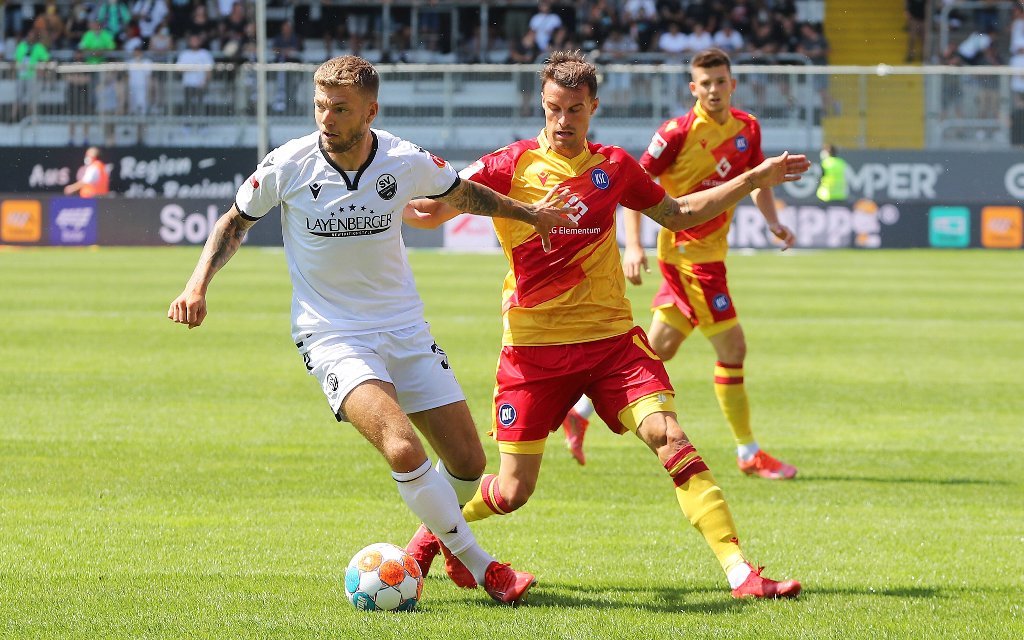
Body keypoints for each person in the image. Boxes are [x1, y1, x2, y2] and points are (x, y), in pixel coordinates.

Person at [166, 55, 576, 606]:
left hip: (404, 327)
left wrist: (533, 215)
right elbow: (234, 222)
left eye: (340, 108)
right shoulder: (288, 164)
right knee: (402, 447)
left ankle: (432, 546)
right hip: (332, 333)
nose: (326, 119)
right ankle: (484, 567)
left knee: (469, 463)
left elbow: (464, 195)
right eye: (319, 106)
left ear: (370, 111)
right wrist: (198, 284)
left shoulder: (403, 160)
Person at [403, 50, 808, 600]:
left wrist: (754, 178)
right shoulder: (508, 166)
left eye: (574, 109)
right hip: (533, 353)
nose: (562, 121)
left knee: (672, 437)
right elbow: (428, 211)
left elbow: (680, 214)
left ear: (593, 106)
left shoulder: (614, 167)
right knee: (514, 489)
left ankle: (741, 573)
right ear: (540, 106)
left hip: (612, 345)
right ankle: (431, 540)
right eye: (553, 109)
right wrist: (380, 186)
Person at [558, 49, 799, 480]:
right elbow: (634, 186)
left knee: (659, 348)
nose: (713, 90)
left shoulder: (748, 128)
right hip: (687, 257)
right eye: (704, 83)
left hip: (712, 254)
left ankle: (579, 410)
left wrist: (774, 222)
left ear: (732, 85)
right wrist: (633, 246)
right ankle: (749, 452)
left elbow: (758, 179)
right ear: (693, 88)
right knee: (734, 349)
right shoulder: (675, 133)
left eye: (720, 81)